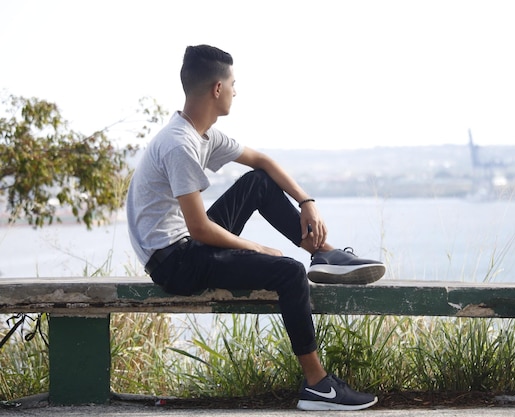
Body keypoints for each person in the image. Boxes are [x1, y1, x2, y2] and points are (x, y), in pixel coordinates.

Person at [126, 44, 385, 411]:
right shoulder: (179, 145)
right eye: (233, 84)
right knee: (290, 274)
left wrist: (306, 201)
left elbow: (262, 161)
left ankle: (323, 254)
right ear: (218, 89)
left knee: (259, 182)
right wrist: (257, 248)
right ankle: (318, 387)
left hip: (184, 245)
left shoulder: (201, 133)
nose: (236, 91)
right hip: (175, 262)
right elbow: (199, 229)